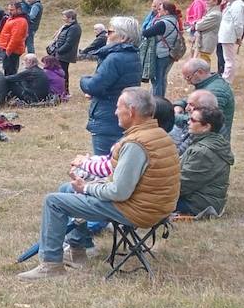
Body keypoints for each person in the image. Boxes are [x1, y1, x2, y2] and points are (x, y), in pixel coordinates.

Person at [19, 88, 180, 280]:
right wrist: (90, 183)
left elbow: (119, 192)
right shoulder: (159, 135)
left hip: (139, 210)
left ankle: (51, 264)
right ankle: (79, 249)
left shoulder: (136, 144)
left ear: (131, 111)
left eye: (118, 107)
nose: (115, 112)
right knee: (66, 189)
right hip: (156, 206)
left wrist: (86, 187)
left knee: (53, 201)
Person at [80, 16, 143, 155]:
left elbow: (94, 86)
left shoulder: (115, 58)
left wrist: (83, 80)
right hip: (122, 114)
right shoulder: (132, 55)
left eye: (110, 31)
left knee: (104, 164)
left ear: (123, 37)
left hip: (108, 118)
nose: (106, 35)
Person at [175, 106, 231, 217]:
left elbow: (182, 185)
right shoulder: (209, 142)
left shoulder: (203, 152)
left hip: (196, 204)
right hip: (200, 199)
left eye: (193, 120)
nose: (188, 122)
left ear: (206, 127)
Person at [179, 57, 234, 139]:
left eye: (188, 78)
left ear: (200, 72)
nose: (188, 82)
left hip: (212, 140)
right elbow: (193, 98)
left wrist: (174, 117)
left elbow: (203, 119)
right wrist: (178, 105)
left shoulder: (216, 91)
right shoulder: (207, 83)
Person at [49, 10, 82, 98]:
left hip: (65, 55)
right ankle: (61, 90)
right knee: (60, 72)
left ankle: (65, 91)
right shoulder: (67, 27)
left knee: (63, 73)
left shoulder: (74, 28)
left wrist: (58, 51)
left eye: (64, 16)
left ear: (70, 18)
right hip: (61, 53)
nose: (63, 18)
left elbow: (69, 43)